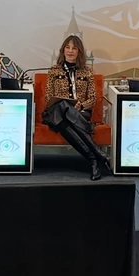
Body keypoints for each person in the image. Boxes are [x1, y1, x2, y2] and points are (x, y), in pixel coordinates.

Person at [43, 35, 112, 180]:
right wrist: (66, 104)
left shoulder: (86, 71)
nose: (70, 51)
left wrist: (82, 106)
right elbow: (48, 97)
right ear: (63, 50)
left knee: (67, 118)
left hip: (79, 113)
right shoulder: (54, 70)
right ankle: (98, 154)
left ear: (79, 51)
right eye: (67, 47)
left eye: (74, 48)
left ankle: (93, 160)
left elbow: (92, 98)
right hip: (55, 113)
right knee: (63, 106)